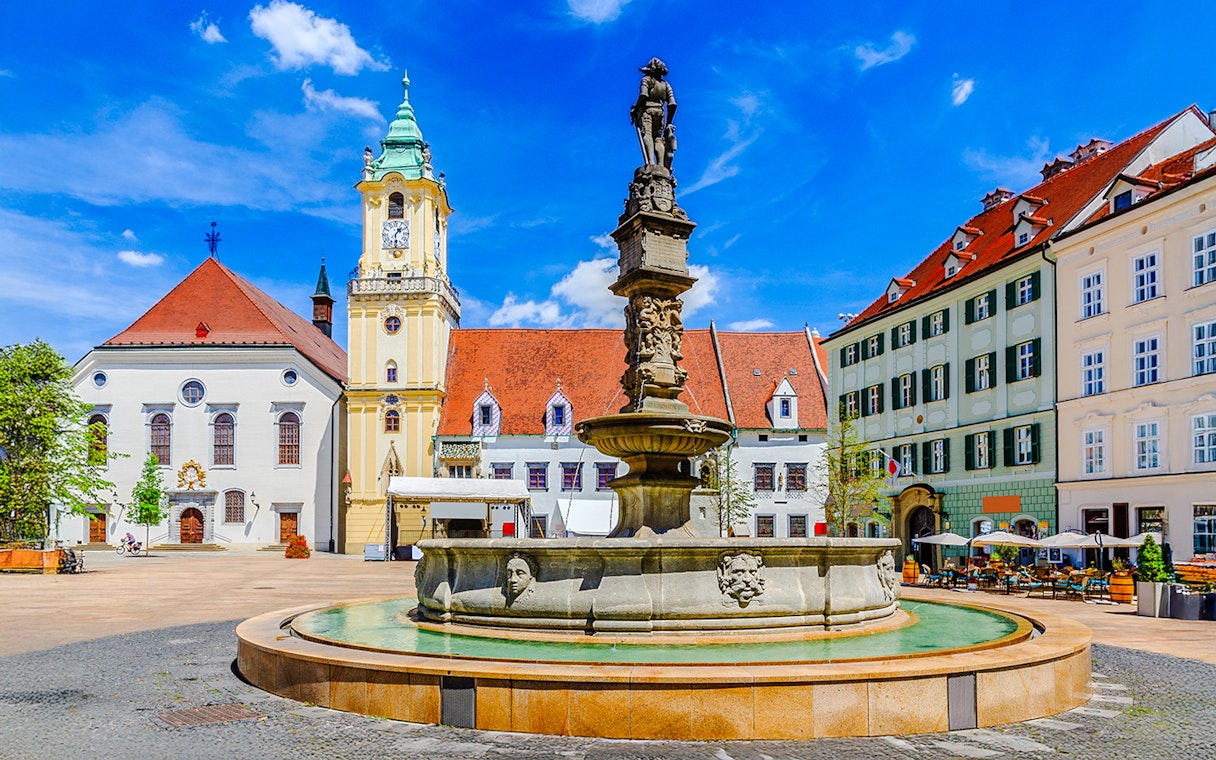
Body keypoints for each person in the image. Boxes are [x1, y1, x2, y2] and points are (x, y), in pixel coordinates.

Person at [630, 58, 677, 170]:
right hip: (660, 113)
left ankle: (651, 163)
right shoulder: (665, 85)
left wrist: (635, 109)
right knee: (658, 139)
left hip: (647, 111)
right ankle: (661, 166)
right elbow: (672, 104)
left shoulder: (647, 80)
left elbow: (644, 95)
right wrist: (669, 122)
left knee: (647, 134)